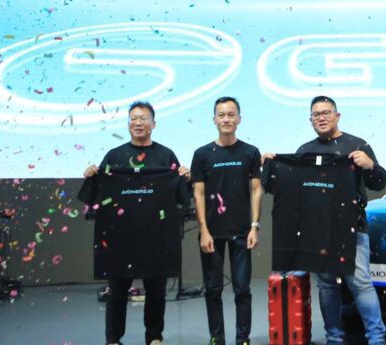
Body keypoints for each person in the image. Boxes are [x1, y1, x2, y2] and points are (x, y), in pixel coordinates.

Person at [269, 96, 386, 345]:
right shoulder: (304, 151)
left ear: (337, 115)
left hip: (352, 228)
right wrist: (273, 167)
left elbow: (379, 183)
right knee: (326, 286)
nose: (321, 118)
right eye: (316, 114)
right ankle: (334, 338)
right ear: (310, 119)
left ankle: (377, 339)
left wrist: (370, 165)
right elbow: (293, 190)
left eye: (326, 113)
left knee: (360, 283)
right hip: (318, 231)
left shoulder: (358, 145)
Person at [83, 101, 191, 345]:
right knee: (117, 293)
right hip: (120, 238)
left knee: (156, 292)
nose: (138, 122)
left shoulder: (166, 156)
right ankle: (113, 339)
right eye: (133, 118)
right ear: (128, 123)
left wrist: (185, 177)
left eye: (143, 118)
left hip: (156, 237)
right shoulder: (114, 156)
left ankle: (154, 337)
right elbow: (98, 192)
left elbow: (179, 194)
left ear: (153, 124)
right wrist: (92, 175)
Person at [192, 97, 263, 345]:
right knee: (213, 289)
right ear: (214, 119)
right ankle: (217, 337)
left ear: (239, 119)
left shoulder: (250, 152)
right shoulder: (202, 155)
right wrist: (203, 230)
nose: (226, 119)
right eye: (221, 115)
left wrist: (254, 226)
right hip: (211, 232)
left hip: (242, 231)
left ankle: (243, 338)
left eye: (231, 114)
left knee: (242, 289)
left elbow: (257, 190)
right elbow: (198, 194)